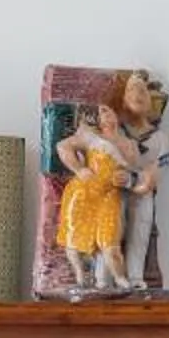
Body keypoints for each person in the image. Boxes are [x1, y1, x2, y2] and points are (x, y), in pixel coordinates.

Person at [53, 102, 141, 292]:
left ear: (117, 115)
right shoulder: (91, 137)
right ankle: (79, 276)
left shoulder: (130, 144)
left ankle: (121, 279)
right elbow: (62, 147)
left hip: (110, 194)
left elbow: (137, 174)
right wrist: (79, 169)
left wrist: (128, 179)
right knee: (73, 236)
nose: (104, 115)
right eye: (100, 112)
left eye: (107, 110)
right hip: (85, 191)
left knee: (109, 243)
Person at [113, 71, 169, 291]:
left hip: (139, 193)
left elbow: (153, 177)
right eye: (131, 90)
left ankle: (135, 278)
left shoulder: (161, 140)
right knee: (110, 231)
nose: (137, 94)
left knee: (140, 229)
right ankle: (106, 276)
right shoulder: (115, 132)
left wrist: (133, 179)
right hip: (113, 191)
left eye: (143, 91)